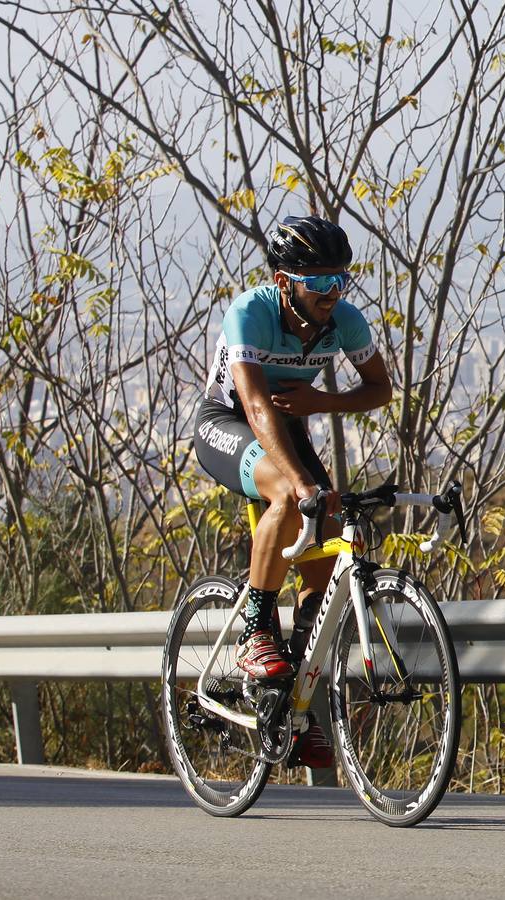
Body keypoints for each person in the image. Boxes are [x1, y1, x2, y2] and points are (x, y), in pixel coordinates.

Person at [194, 215, 392, 767]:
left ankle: (288, 708)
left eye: (341, 281)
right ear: (285, 282)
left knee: (324, 554)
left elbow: (380, 390)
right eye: (320, 283)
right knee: (288, 495)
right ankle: (256, 630)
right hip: (230, 423)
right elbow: (255, 406)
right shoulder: (251, 313)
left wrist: (321, 403)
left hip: (292, 424)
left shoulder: (344, 322)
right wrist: (301, 480)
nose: (333, 294)